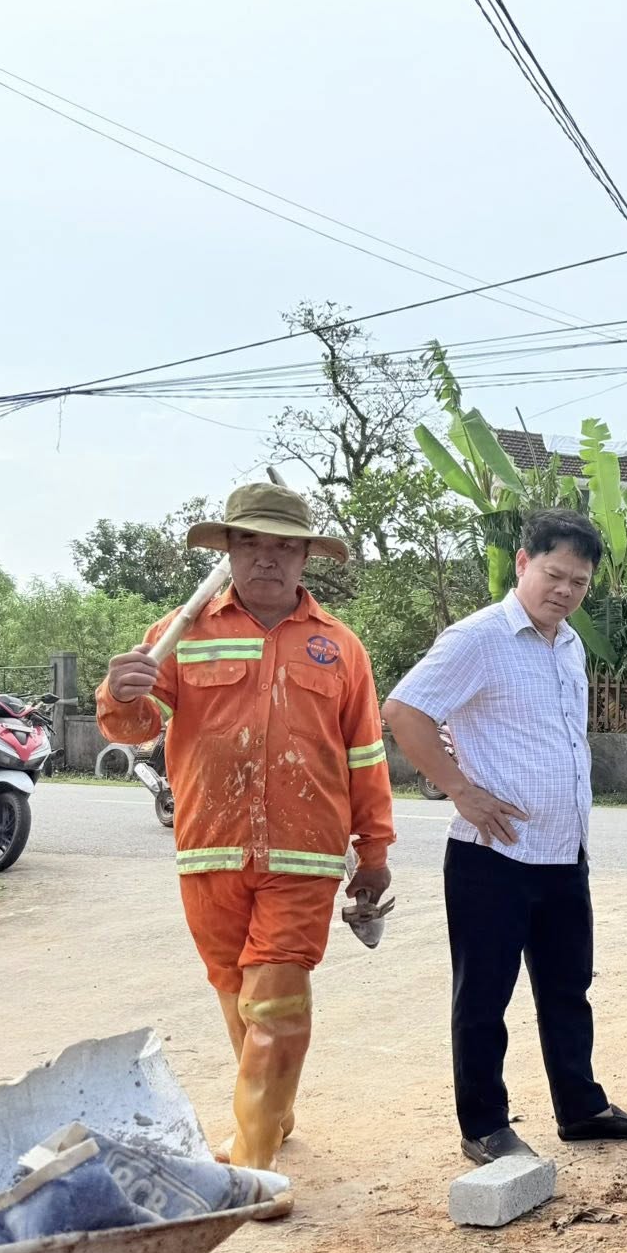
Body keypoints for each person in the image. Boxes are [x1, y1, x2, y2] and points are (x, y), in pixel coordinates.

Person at [97, 480, 395, 1173]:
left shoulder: (338, 647)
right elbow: (132, 729)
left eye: (284, 546)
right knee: (236, 993)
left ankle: (253, 1166)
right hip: (210, 849)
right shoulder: (181, 632)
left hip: (304, 856)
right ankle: (273, 1114)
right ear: (227, 550)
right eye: (250, 542)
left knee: (276, 1000)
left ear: (305, 558)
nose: (267, 558)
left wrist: (374, 850)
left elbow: (365, 754)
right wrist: (119, 691)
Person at [383, 511, 627, 1166]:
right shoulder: (478, 638)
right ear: (522, 563)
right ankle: (484, 1125)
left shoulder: (569, 645)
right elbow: (403, 710)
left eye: (579, 582)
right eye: (554, 574)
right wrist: (461, 790)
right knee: (484, 998)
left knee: (567, 989)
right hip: (493, 857)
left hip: (563, 853)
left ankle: (581, 1107)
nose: (564, 590)